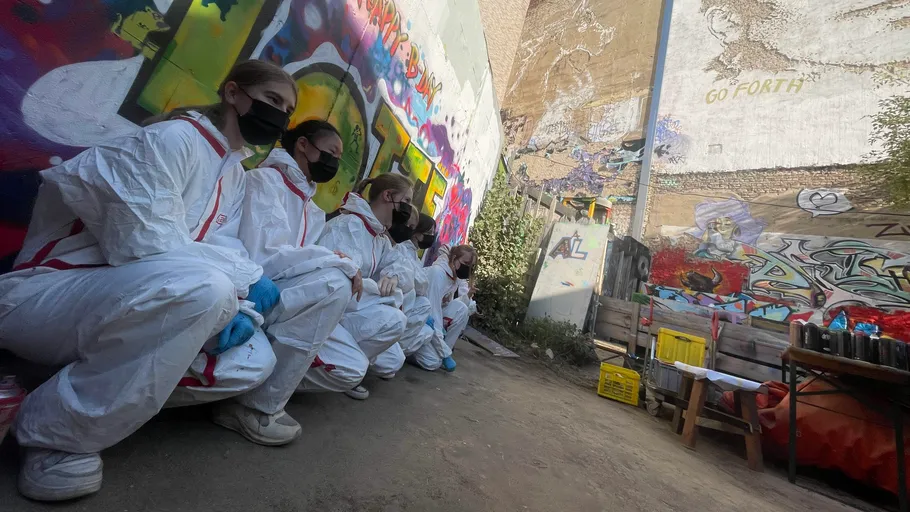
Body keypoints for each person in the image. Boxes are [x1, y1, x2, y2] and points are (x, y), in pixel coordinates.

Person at [0, 60, 297, 501]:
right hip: (43, 298)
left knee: (256, 362)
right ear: (233, 93)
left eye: (287, 111)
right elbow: (142, 242)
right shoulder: (171, 139)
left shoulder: (233, 172)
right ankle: (54, 435)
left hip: (125, 306)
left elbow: (221, 249)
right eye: (273, 100)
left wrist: (238, 301)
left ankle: (58, 389)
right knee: (208, 291)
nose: (279, 116)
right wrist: (241, 283)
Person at [225, 120, 363, 443]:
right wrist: (336, 261)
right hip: (253, 296)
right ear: (302, 145)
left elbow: (301, 262)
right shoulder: (265, 181)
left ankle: (270, 385)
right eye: (330, 152)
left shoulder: (313, 212)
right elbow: (265, 257)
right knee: (335, 284)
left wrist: (331, 258)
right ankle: (252, 406)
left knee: (352, 366)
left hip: (283, 302)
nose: (334, 163)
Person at [304, 173, 415, 399]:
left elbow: (401, 265)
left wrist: (394, 275)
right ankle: (309, 365)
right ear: (388, 196)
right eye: (407, 201)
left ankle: (348, 360)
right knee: (393, 320)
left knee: (393, 358)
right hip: (324, 314)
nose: (409, 209)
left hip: (348, 312)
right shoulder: (349, 226)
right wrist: (382, 291)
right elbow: (340, 282)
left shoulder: (377, 236)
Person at [412, 245, 478, 371]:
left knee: (462, 308)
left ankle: (441, 351)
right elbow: (433, 314)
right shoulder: (438, 274)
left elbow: (446, 306)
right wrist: (445, 353)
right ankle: (410, 353)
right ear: (454, 258)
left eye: (471, 266)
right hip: (419, 319)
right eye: (466, 263)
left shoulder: (454, 276)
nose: (468, 269)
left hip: (432, 322)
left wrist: (467, 296)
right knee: (432, 362)